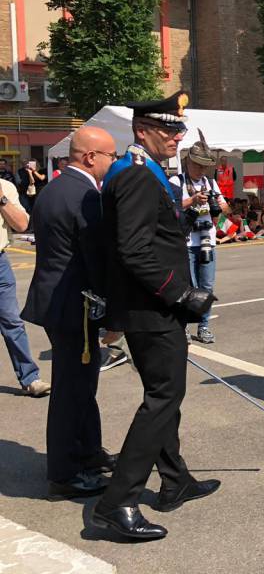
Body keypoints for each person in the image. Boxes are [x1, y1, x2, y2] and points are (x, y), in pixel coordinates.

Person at [91, 92, 218, 542]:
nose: (178, 137)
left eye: (179, 129)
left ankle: (174, 479)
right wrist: (184, 293)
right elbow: (135, 251)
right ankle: (118, 501)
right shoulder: (138, 176)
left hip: (149, 306)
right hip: (153, 308)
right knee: (163, 399)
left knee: (163, 397)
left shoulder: (138, 171)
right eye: (170, 129)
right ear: (142, 130)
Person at [22, 126, 117, 499]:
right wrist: (113, 316)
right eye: (111, 155)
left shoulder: (56, 188)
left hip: (59, 301)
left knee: (82, 385)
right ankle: (64, 473)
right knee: (71, 390)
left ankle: (88, 452)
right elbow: (94, 260)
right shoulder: (83, 195)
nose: (114, 161)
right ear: (90, 157)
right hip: (73, 305)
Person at [0, 159, 49, 397]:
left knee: (12, 322)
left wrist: (1, 199)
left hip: (0, 264)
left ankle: (30, 378)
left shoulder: (5, 188)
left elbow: (21, 225)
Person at [169, 134, 222, 344]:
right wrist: (192, 200)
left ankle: (204, 326)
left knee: (207, 287)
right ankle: (182, 327)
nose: (201, 170)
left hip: (207, 239)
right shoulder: (176, 181)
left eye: (204, 167)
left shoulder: (210, 182)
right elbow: (170, 208)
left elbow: (223, 209)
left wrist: (217, 202)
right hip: (187, 241)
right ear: (188, 162)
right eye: (198, 166)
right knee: (187, 287)